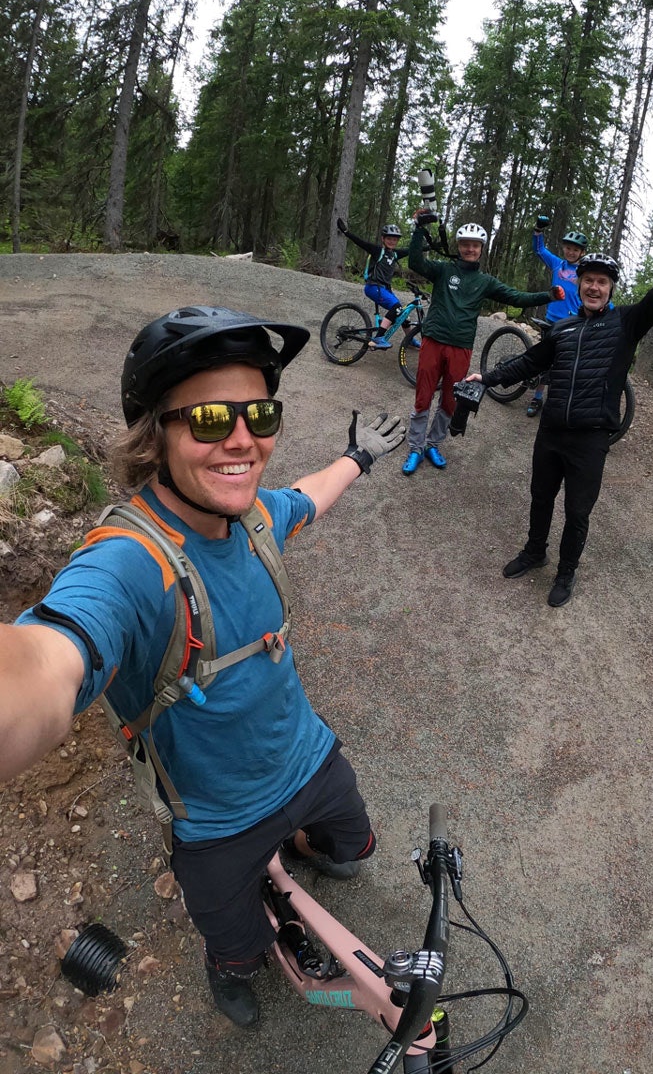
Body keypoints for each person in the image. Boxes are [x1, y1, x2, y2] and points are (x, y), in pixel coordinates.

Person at [0, 306, 405, 1027]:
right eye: (211, 418)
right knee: (236, 943)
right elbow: (48, 659)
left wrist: (359, 457)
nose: (242, 439)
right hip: (215, 820)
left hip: (306, 757)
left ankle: (302, 846)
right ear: (155, 435)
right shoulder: (130, 562)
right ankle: (232, 967)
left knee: (354, 849)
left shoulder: (256, 517)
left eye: (260, 414)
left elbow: (308, 496)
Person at [467, 204, 653, 608]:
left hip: (590, 439)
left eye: (601, 282)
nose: (594, 287)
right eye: (588, 281)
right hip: (551, 431)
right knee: (540, 497)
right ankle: (534, 551)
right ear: (578, 285)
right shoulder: (563, 329)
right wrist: (488, 378)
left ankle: (566, 572)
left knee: (578, 511)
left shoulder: (627, 323)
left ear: (611, 289)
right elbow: (530, 362)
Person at [403, 208, 565, 474]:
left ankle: (433, 444)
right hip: (433, 340)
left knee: (450, 399)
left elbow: (516, 297)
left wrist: (547, 295)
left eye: (475, 245)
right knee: (423, 396)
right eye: (465, 244)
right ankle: (415, 448)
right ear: (459, 246)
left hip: (461, 346)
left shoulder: (485, 281)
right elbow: (415, 263)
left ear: (481, 249)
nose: (470, 249)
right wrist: (419, 229)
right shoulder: (444, 270)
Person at [527, 217, 587, 416]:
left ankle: (556, 401)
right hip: (552, 320)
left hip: (572, 323)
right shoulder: (557, 264)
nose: (571, 252)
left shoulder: (585, 272)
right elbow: (539, 250)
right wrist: (538, 230)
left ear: (582, 252)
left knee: (563, 364)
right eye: (568, 248)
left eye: (575, 250)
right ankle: (537, 398)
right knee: (546, 361)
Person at [336, 217, 417, 349]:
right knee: (396, 308)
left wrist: (430, 246)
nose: (392, 241)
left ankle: (410, 339)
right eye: (389, 238)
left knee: (403, 314)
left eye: (395, 239)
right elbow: (361, 243)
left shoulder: (395, 254)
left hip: (384, 289)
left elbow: (412, 250)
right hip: (374, 287)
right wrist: (346, 232)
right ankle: (378, 338)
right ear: (383, 239)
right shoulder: (378, 251)